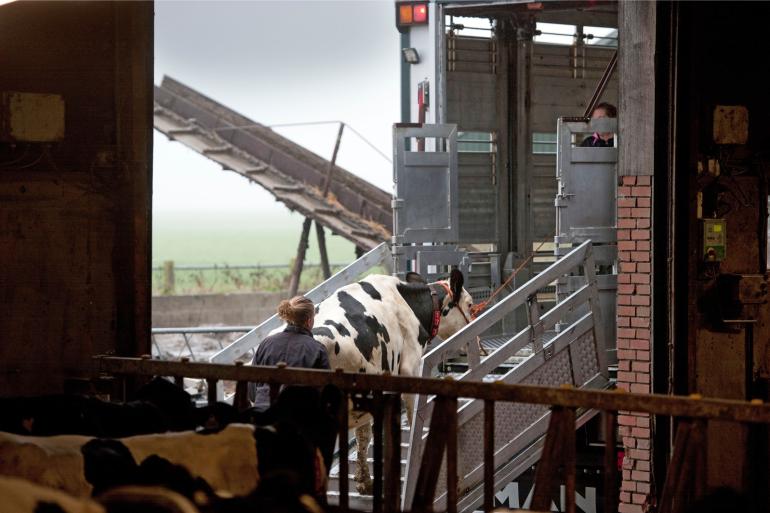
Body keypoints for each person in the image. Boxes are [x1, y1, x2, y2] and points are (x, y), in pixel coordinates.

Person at [249, 296, 330, 411]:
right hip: (298, 421)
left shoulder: (266, 344)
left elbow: (252, 392)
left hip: (263, 416)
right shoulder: (317, 349)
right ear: (309, 321)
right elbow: (325, 395)